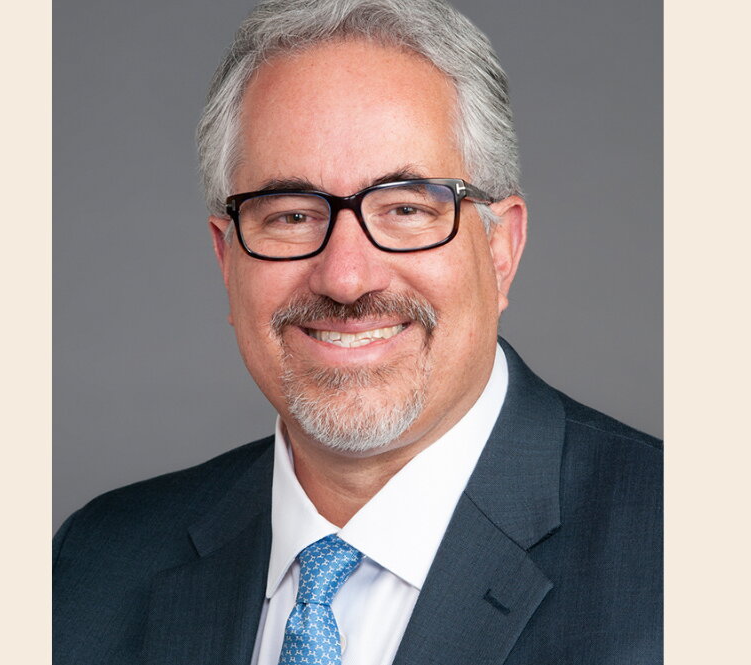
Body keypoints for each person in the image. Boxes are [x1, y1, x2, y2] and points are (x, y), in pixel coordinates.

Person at [52, 0, 662, 663]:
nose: (345, 278)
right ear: (227, 261)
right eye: (289, 215)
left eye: (405, 207)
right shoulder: (93, 567)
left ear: (501, 249)